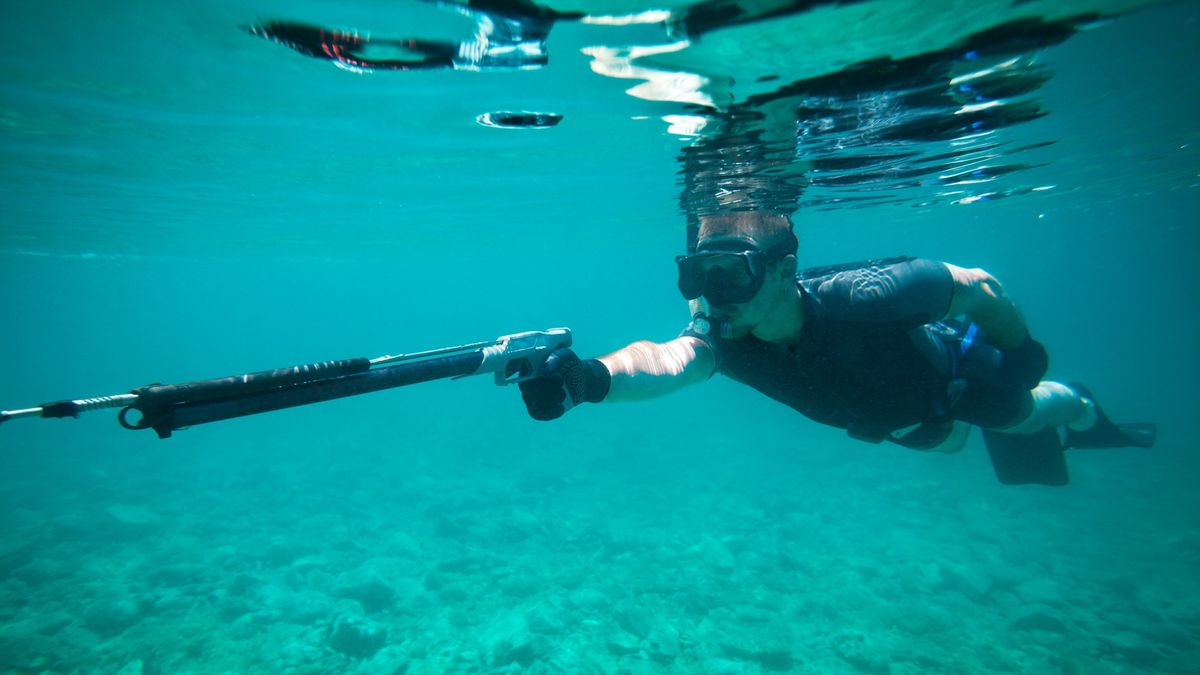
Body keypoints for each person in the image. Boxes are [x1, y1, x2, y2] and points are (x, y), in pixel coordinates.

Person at [518, 211, 1156, 486]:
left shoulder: (869, 295)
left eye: (729, 276)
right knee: (947, 443)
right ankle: (975, 426)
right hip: (900, 424)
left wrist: (1022, 352)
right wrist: (586, 379)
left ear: (780, 267)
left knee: (1028, 414)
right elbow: (667, 360)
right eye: (695, 276)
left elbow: (978, 286)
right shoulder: (724, 341)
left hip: (958, 382)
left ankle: (1080, 407)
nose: (713, 297)